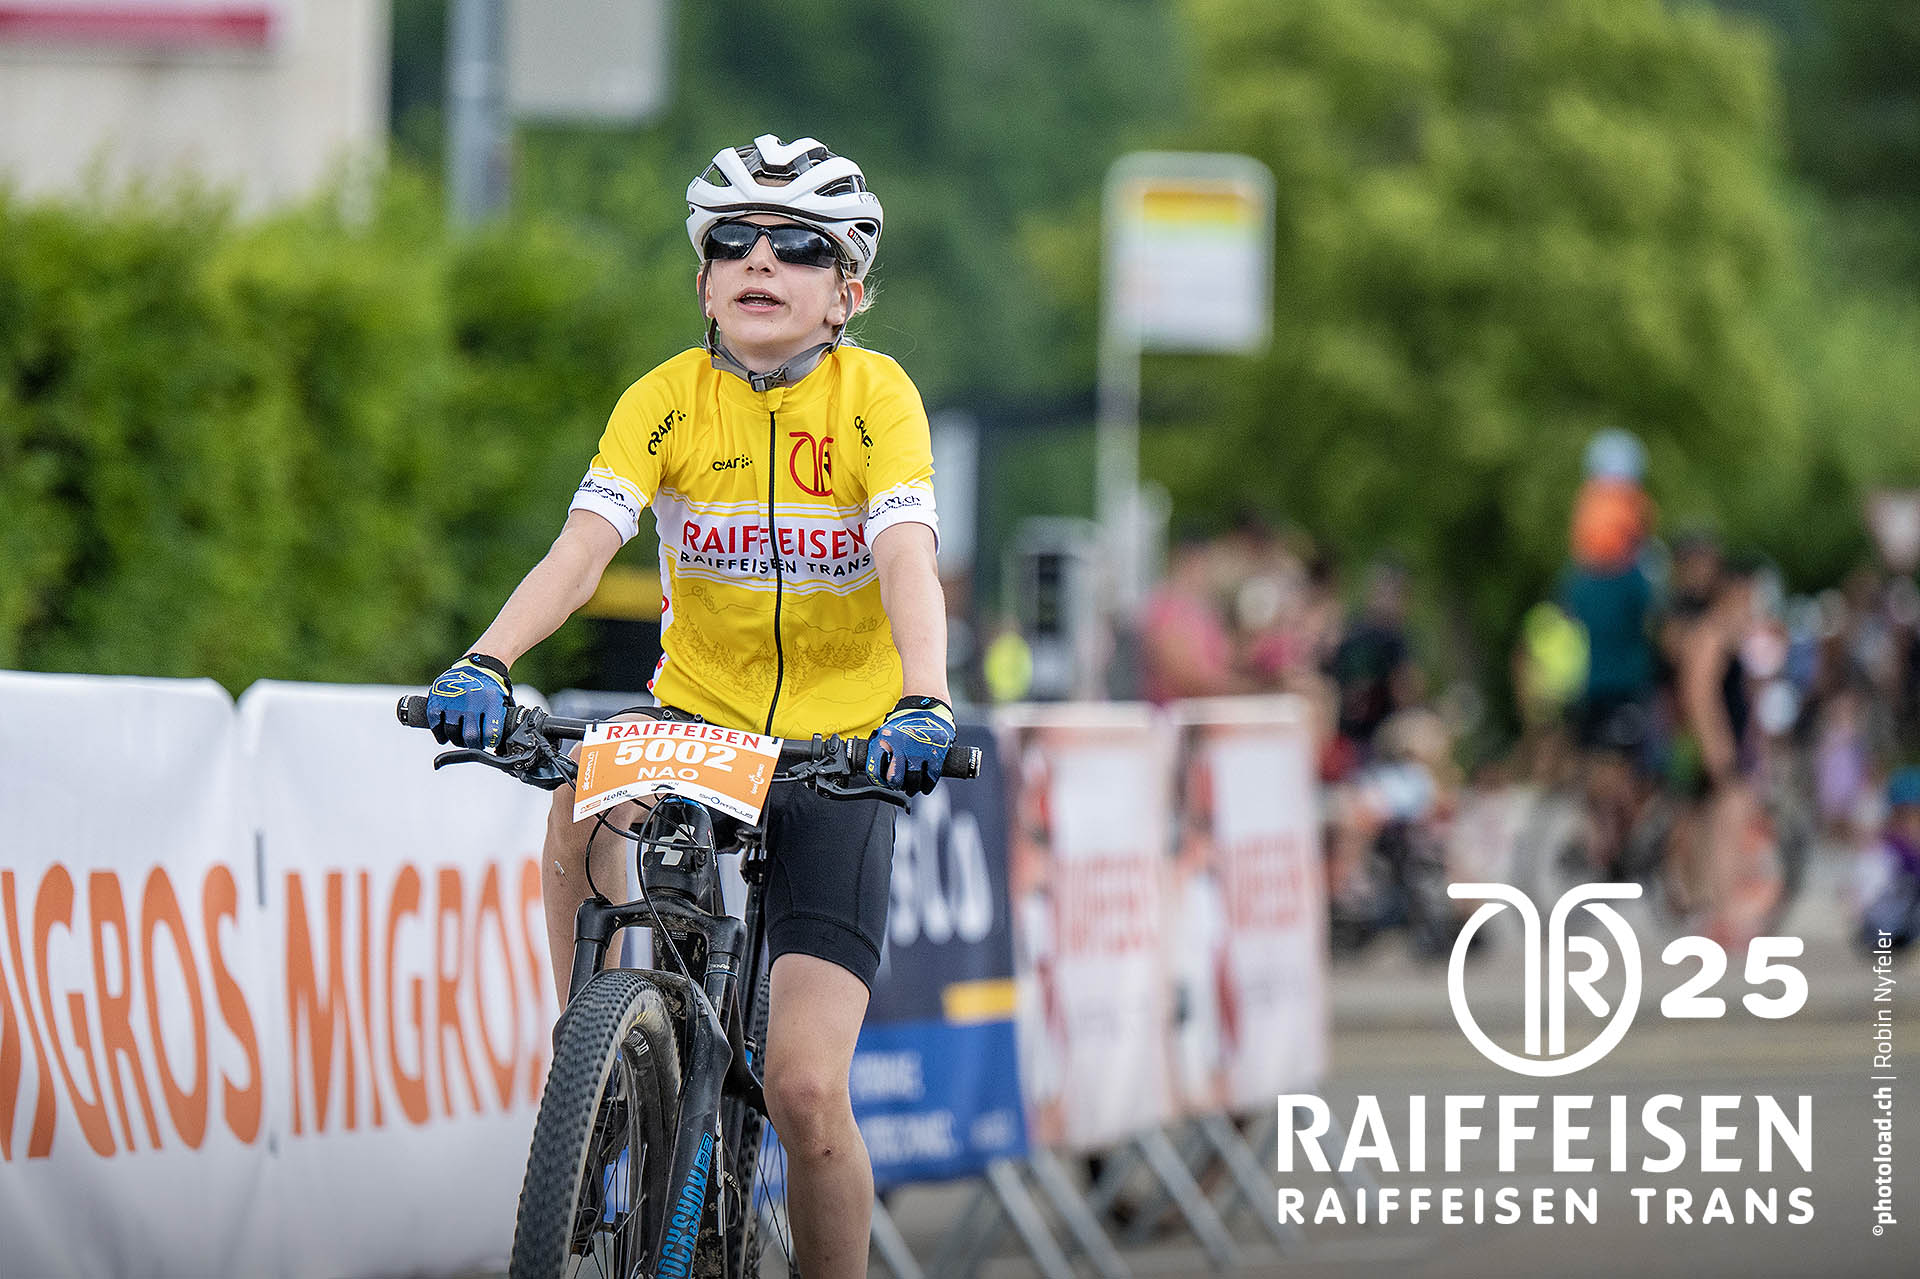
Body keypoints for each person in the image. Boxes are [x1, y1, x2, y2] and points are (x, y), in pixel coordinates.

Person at [421, 135, 950, 1279]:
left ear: (847, 293)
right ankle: (599, 1053)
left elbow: (906, 557)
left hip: (842, 745)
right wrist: (486, 660)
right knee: (581, 783)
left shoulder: (876, 398)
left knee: (806, 1091)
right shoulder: (664, 400)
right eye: (734, 241)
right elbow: (581, 551)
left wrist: (924, 701)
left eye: (799, 246)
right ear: (704, 281)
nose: (762, 259)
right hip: (701, 718)